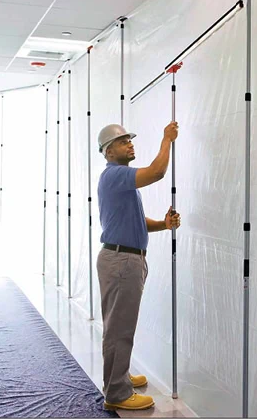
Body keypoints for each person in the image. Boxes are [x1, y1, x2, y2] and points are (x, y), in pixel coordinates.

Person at [96, 122, 181, 411]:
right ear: (109, 152)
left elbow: (137, 221)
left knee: (120, 325)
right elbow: (157, 172)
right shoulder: (116, 175)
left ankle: (118, 376)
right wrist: (166, 139)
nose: (130, 144)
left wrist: (164, 224)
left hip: (125, 258)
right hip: (121, 261)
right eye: (122, 142)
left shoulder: (121, 181)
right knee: (119, 328)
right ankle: (117, 392)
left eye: (130, 140)